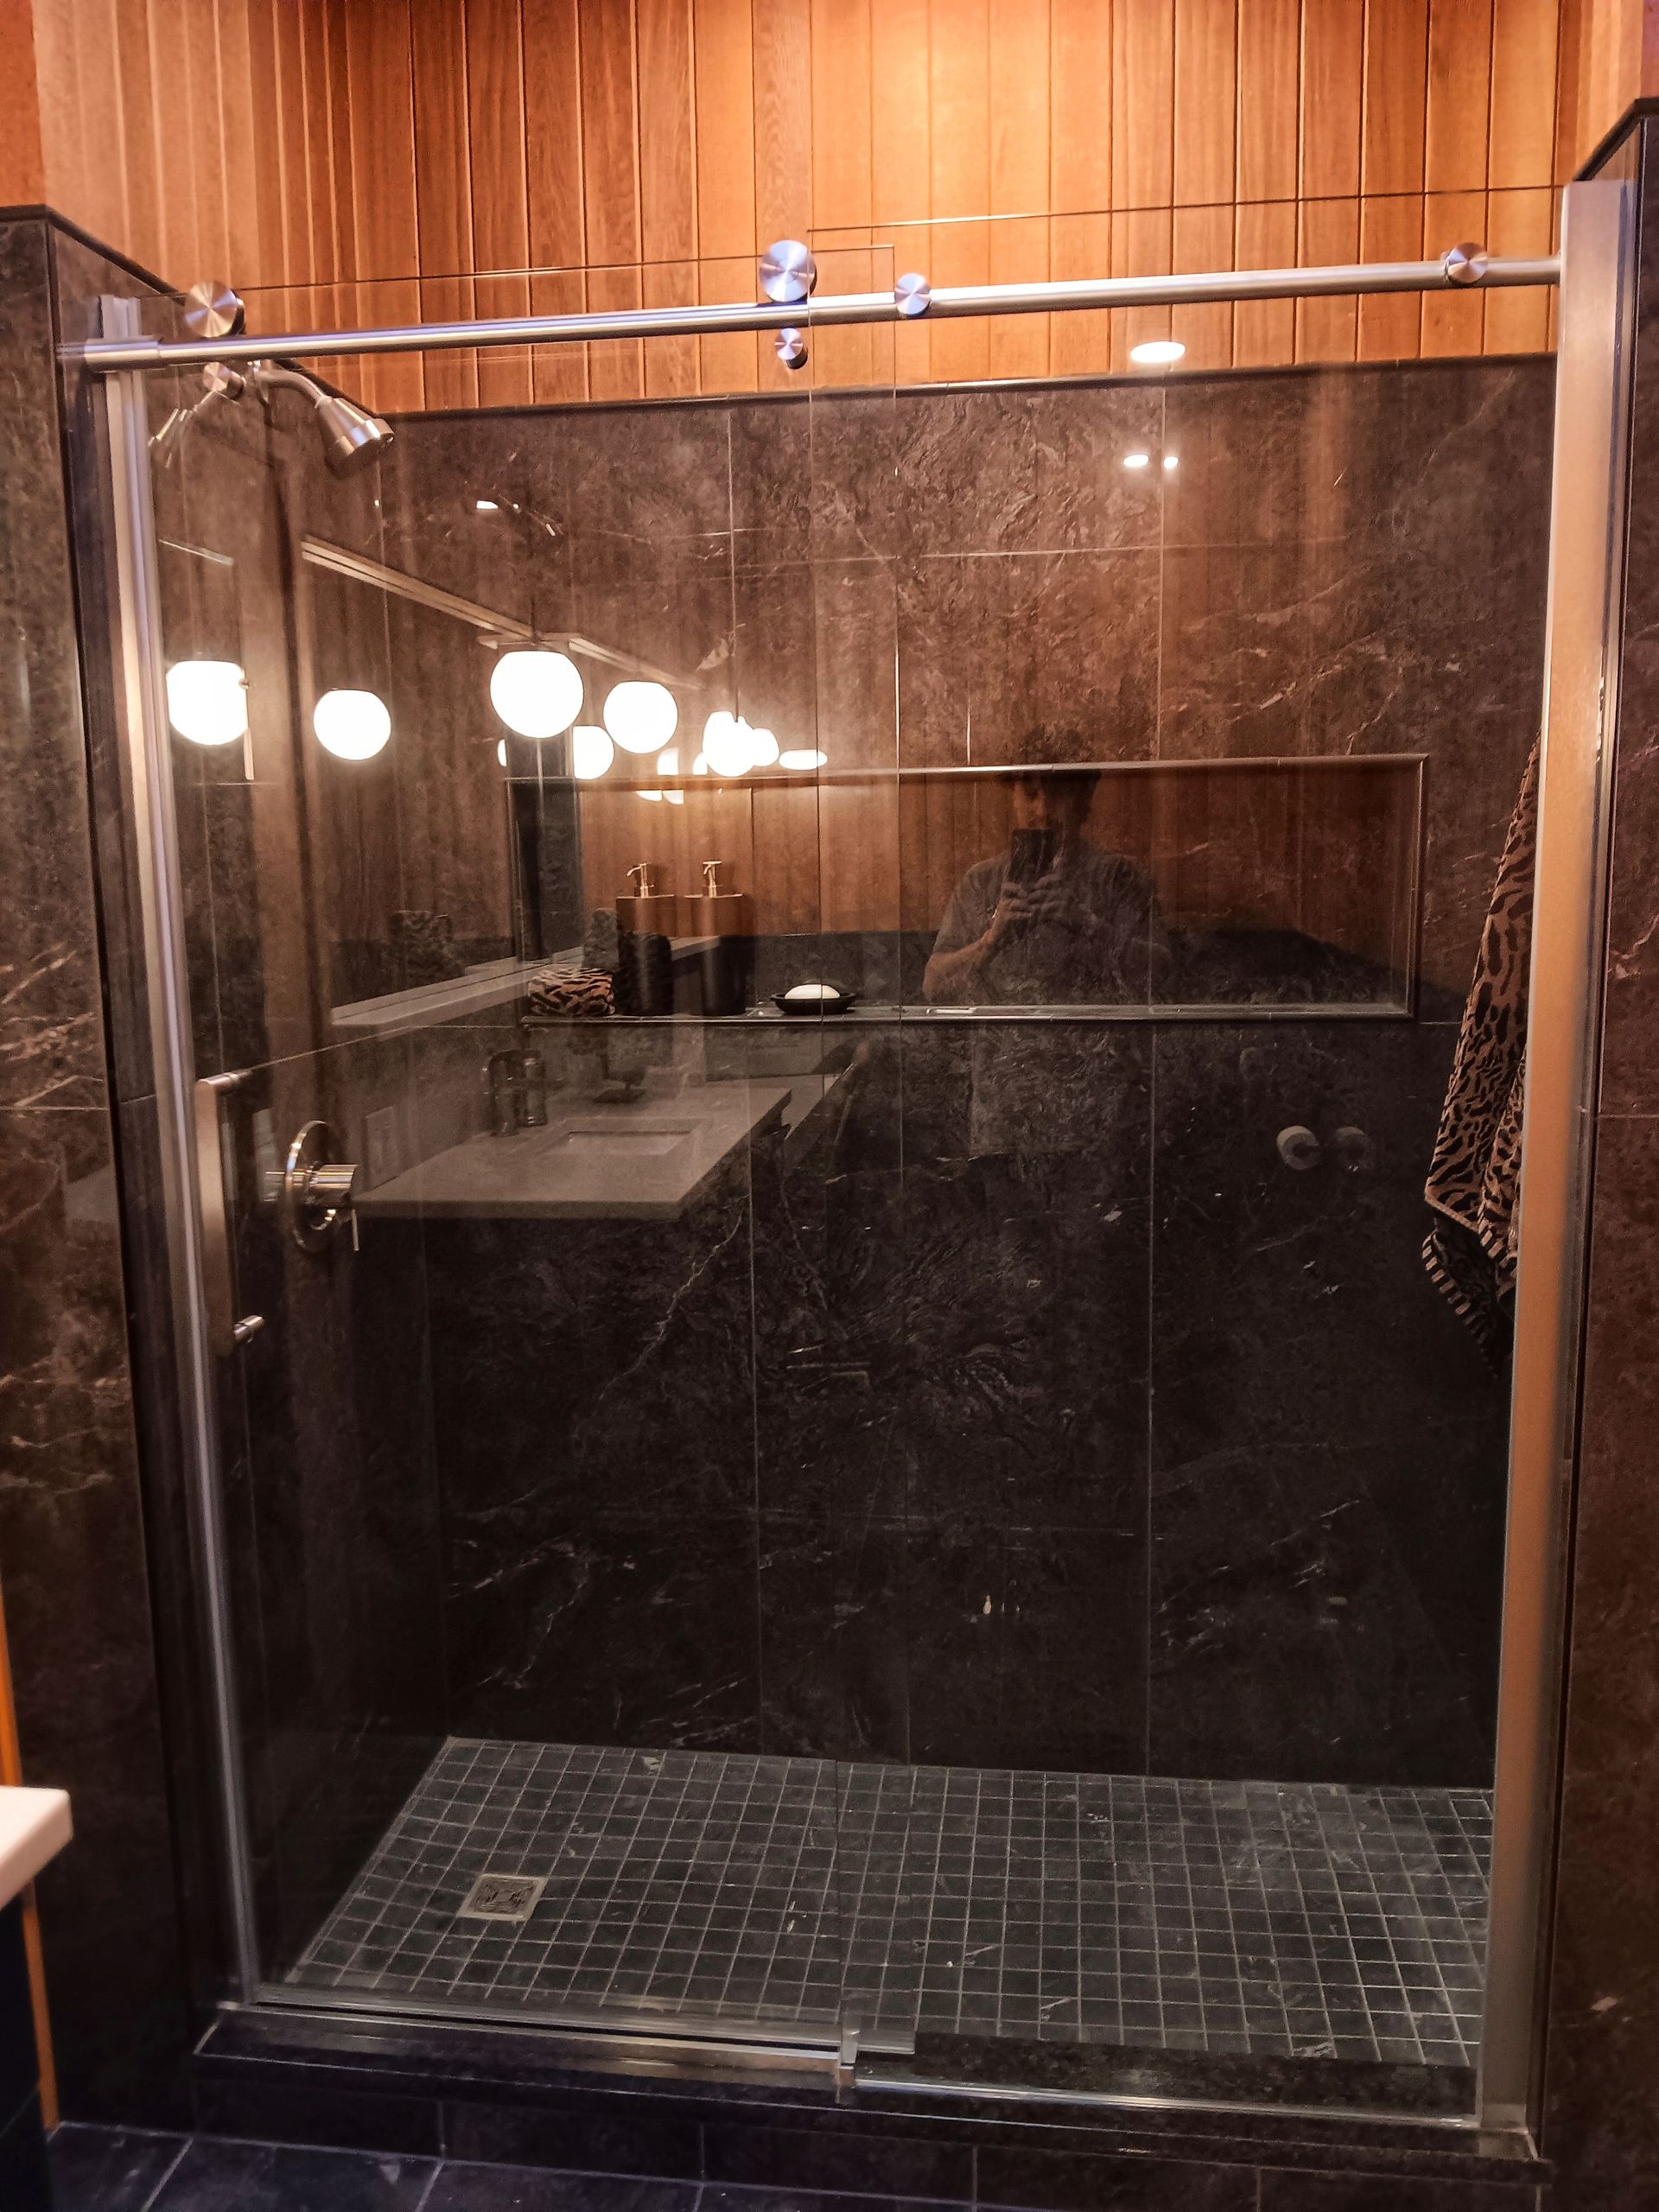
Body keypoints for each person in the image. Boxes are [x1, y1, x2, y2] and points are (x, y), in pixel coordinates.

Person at [922, 759, 1166, 1007]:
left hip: (1092, 1041)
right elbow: (932, 987)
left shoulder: (1120, 876)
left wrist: (1087, 924)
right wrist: (991, 940)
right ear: (1014, 798)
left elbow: (1163, 976)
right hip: (1001, 1040)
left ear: (1084, 799)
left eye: (1059, 794)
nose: (1043, 809)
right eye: (1030, 795)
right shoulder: (980, 881)